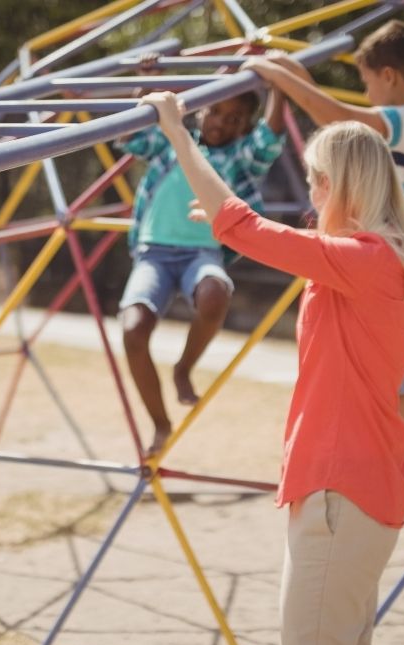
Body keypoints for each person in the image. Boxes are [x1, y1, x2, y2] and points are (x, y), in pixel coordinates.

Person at [140, 89, 404, 645]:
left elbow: (241, 225)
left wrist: (179, 136)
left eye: (314, 183)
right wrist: (223, 219)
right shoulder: (382, 259)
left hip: (342, 492)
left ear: (337, 185)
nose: (310, 195)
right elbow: (251, 231)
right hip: (358, 491)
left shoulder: (364, 260)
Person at [245, 20, 404, 484]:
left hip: (391, 266)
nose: (367, 92)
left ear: (388, 76)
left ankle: (399, 467)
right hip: (374, 262)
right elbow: (330, 110)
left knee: (400, 384)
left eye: (368, 82)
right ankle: (389, 462)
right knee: (386, 380)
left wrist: (280, 78)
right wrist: (287, 70)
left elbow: (336, 119)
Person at [115, 59, 287, 457]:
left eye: (235, 119)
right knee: (132, 329)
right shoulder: (170, 141)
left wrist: (278, 82)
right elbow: (131, 130)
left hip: (201, 252)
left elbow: (271, 137)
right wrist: (147, 83)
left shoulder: (241, 157)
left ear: (245, 126)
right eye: (217, 113)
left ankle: (184, 368)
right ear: (200, 111)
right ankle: (160, 423)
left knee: (214, 294)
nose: (222, 124)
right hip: (153, 253)